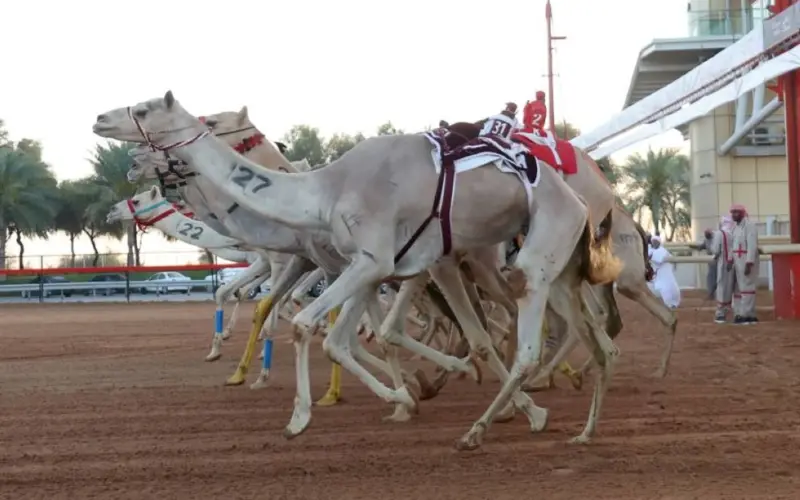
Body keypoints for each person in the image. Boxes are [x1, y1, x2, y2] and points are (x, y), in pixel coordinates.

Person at [728, 203, 759, 324]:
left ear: (741, 213)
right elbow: (732, 245)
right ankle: (739, 313)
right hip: (737, 262)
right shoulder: (734, 228)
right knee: (737, 288)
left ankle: (747, 314)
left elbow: (752, 245)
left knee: (747, 287)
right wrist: (730, 260)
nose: (733, 215)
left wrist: (749, 262)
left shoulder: (750, 226)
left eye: (736, 212)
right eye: (732, 212)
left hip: (746, 261)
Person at [649, 235, 681, 309]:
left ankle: (674, 303)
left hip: (667, 273)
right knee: (664, 289)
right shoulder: (650, 250)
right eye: (653, 242)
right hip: (659, 275)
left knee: (673, 288)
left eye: (656, 242)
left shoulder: (663, 250)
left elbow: (669, 259)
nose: (654, 243)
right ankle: (668, 305)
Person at [689, 228, 716, 300]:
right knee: (710, 277)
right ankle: (711, 294)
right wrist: (693, 247)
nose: (706, 236)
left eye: (707, 234)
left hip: (718, 260)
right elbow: (701, 246)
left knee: (717, 278)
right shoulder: (706, 240)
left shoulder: (716, 239)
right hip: (711, 262)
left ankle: (717, 295)